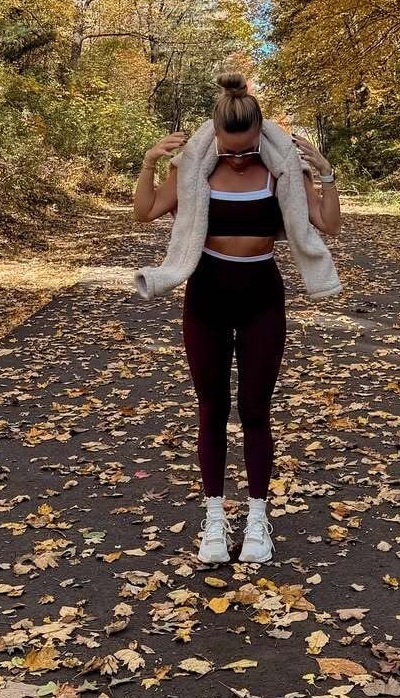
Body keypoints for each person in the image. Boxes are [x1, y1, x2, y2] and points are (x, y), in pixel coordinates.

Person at [132, 71, 342, 565]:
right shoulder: (195, 170)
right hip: (206, 293)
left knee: (254, 410)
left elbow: (328, 224)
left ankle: (255, 520)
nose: (239, 157)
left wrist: (326, 174)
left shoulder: (282, 172)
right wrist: (148, 164)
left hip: (261, 296)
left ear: (261, 137)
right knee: (211, 409)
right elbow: (146, 212)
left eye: (247, 149)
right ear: (216, 136)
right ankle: (211, 520)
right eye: (230, 150)